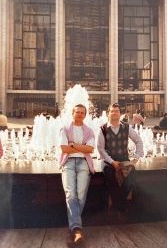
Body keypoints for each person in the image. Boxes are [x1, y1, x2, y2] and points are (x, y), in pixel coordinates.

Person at [97, 103, 143, 218]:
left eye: (117, 111)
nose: (114, 113)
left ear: (120, 114)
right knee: (110, 175)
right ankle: (120, 207)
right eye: (112, 111)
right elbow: (100, 149)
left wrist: (136, 157)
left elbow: (138, 141)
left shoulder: (126, 127)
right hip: (108, 161)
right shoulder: (103, 129)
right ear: (108, 113)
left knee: (132, 176)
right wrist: (112, 162)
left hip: (124, 160)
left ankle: (117, 205)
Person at [59, 104, 95, 247]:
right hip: (68, 162)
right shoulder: (65, 129)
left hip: (83, 162)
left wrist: (72, 144)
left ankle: (72, 229)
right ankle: (76, 230)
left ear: (85, 115)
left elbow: (90, 149)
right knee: (70, 194)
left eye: (82, 112)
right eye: (77, 112)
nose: (79, 114)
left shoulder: (89, 130)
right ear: (72, 113)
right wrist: (80, 146)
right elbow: (63, 148)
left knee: (80, 195)